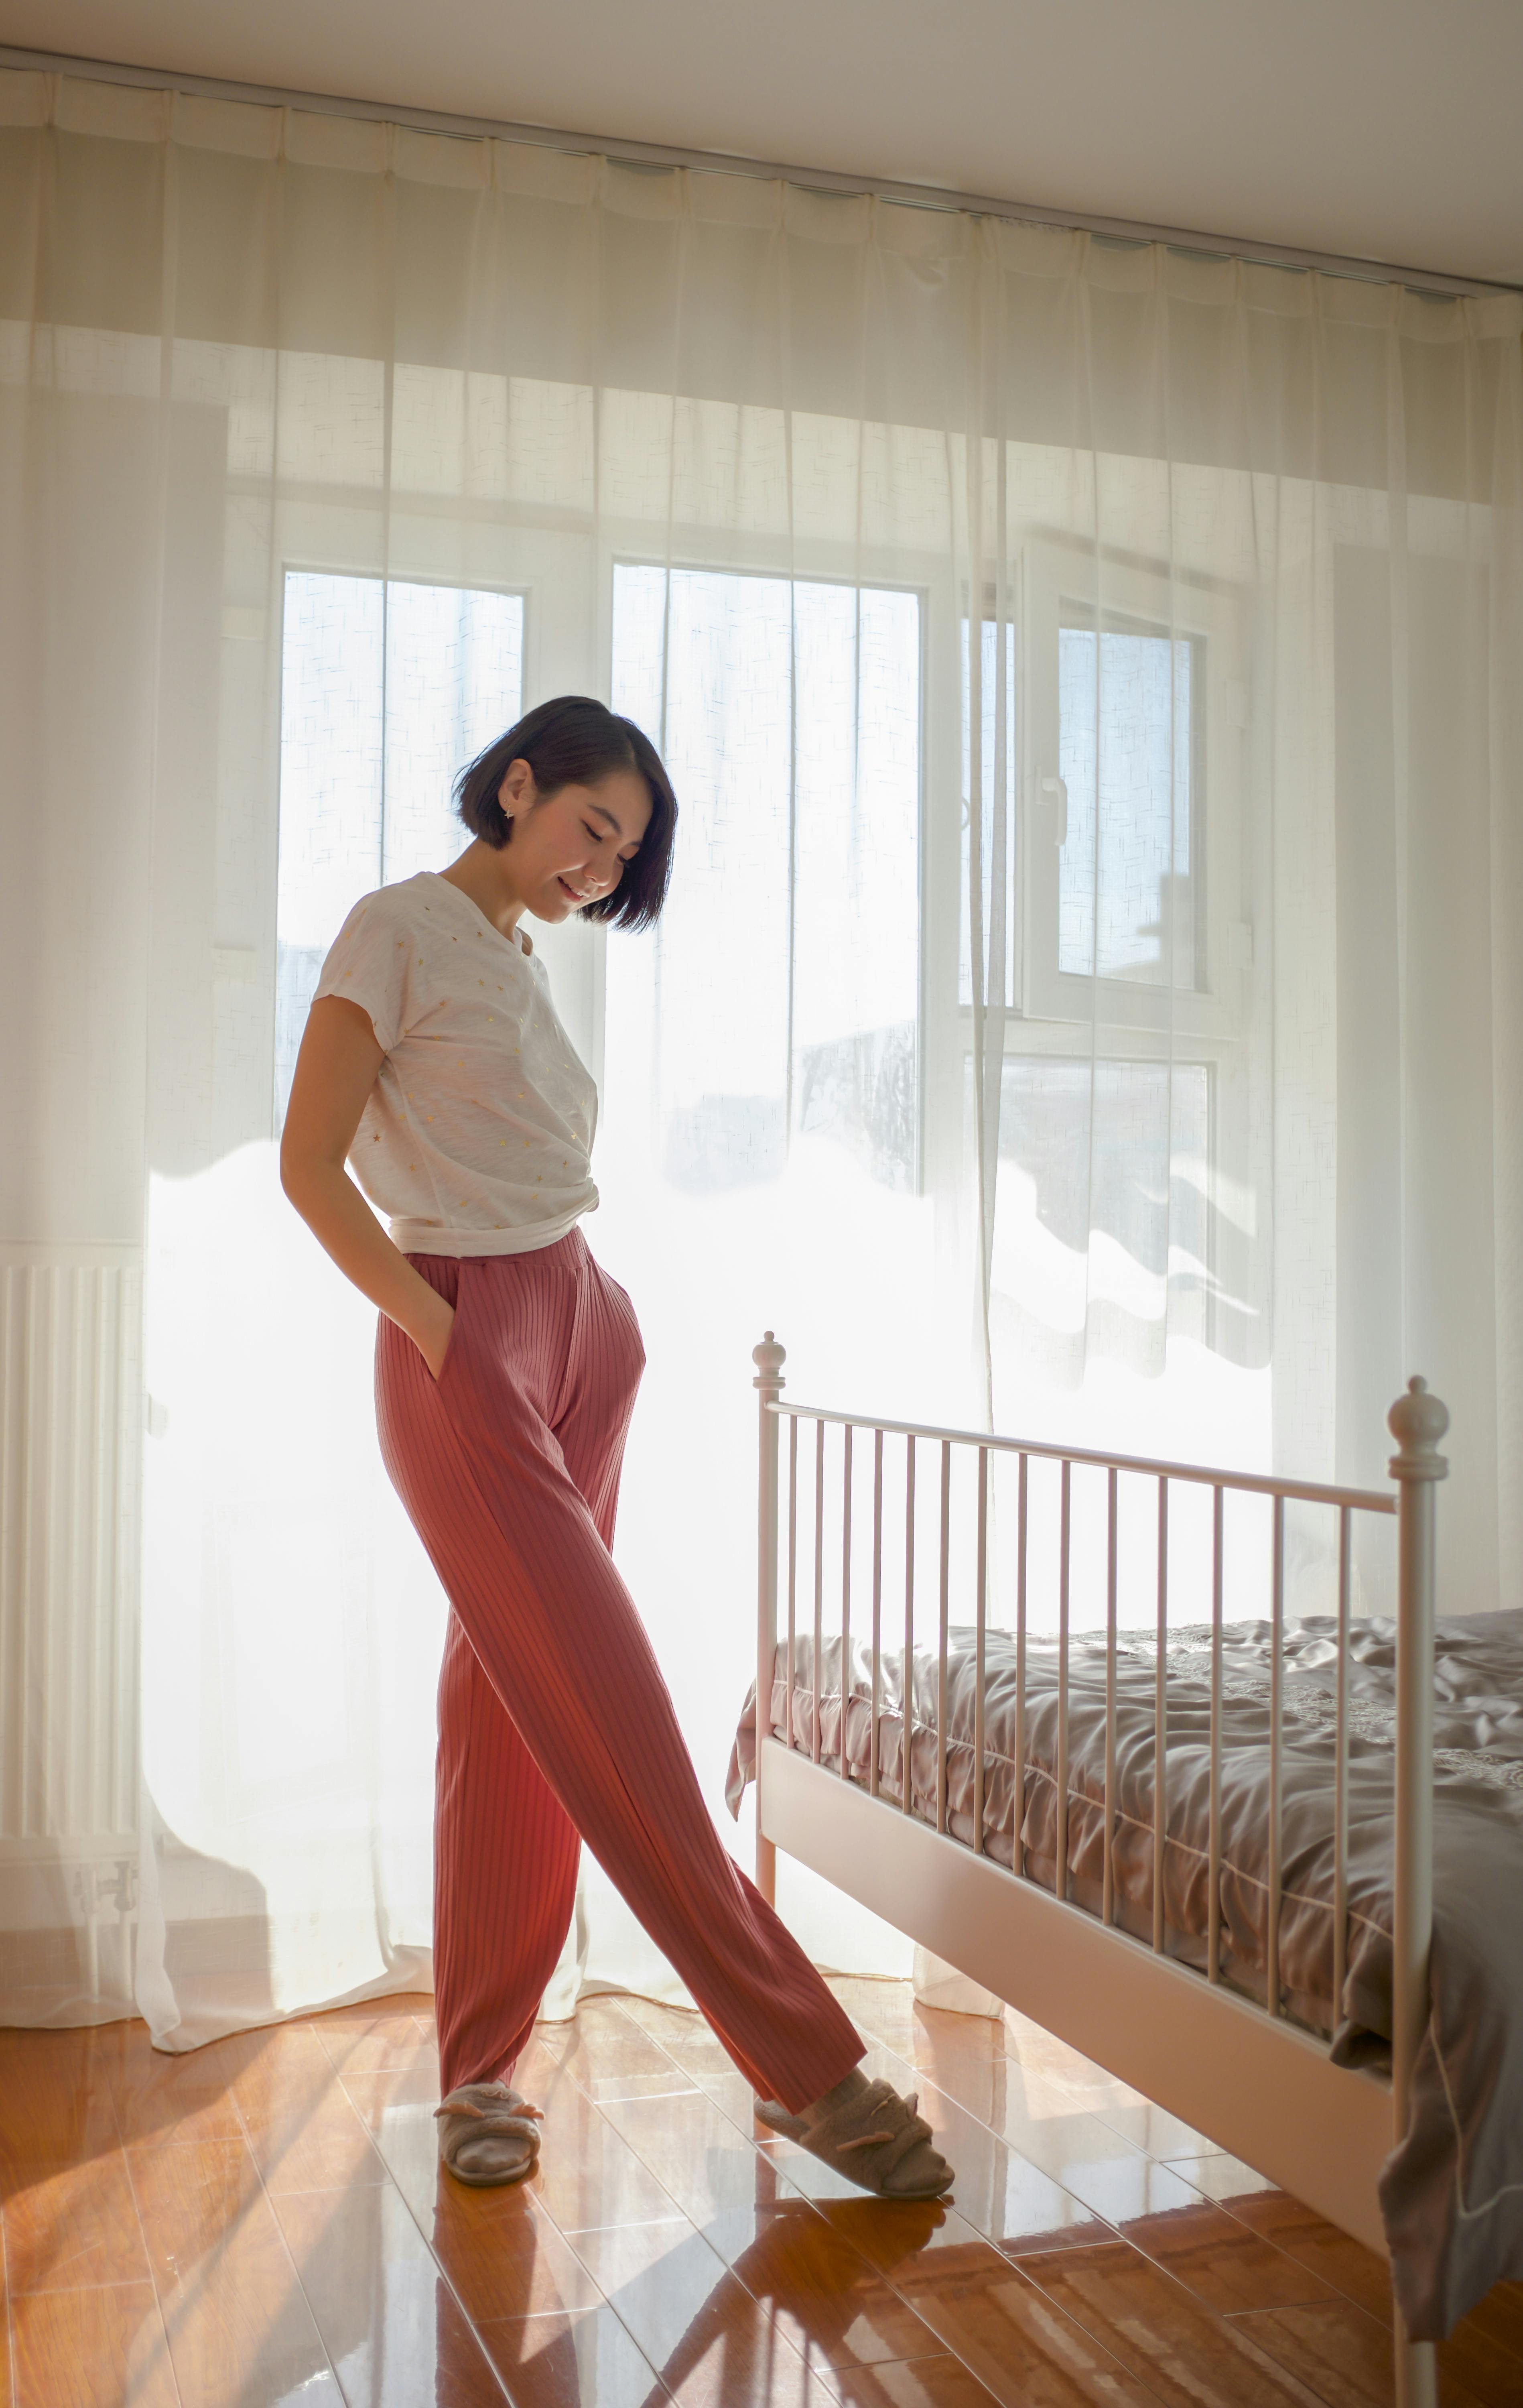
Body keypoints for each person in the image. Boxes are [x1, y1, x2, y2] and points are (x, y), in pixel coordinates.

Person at [280, 695, 953, 2201]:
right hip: (468, 1336)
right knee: (613, 1699)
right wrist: (440, 1332)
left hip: (582, 1320)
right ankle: (802, 2063)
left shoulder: (513, 956)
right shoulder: (394, 925)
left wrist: (592, 1313)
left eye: (625, 853)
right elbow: (306, 1166)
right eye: (593, 828)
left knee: (513, 1698)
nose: (601, 869)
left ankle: (478, 2073)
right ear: (517, 784)